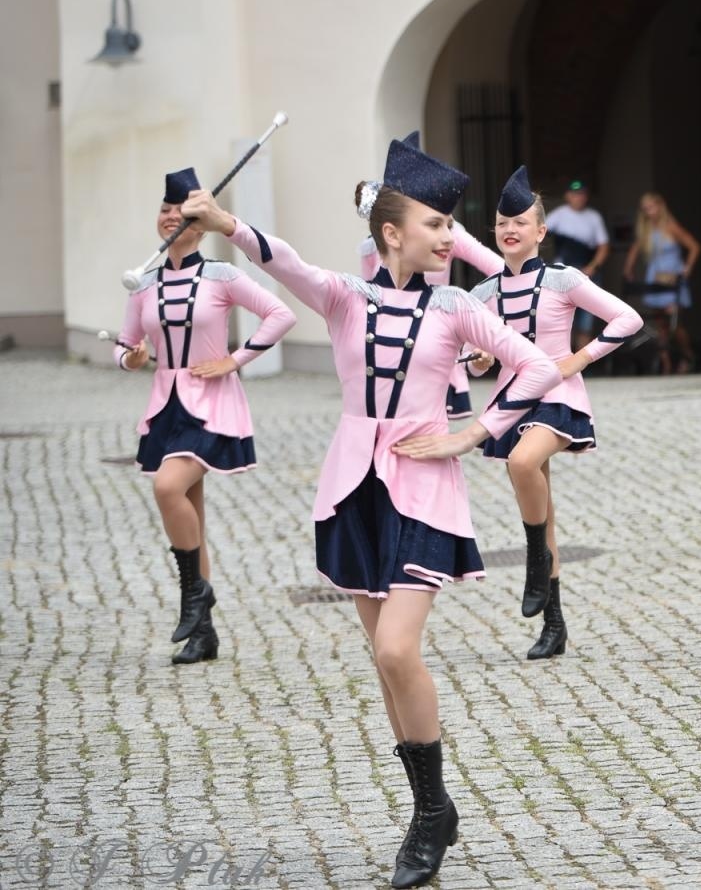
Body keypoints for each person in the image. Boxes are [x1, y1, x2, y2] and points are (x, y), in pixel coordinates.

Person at [181, 136, 562, 889]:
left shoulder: (456, 307)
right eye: (436, 225)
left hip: (423, 489)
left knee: (396, 651)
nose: (451, 237)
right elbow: (284, 263)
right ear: (392, 233)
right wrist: (227, 224)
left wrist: (473, 432)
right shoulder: (347, 298)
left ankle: (429, 815)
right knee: (384, 666)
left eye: (452, 226)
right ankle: (430, 808)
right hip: (351, 488)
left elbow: (539, 365)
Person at [114, 167, 296, 665]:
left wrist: (235, 360)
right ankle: (203, 632)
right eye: (166, 210)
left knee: (168, 488)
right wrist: (129, 357)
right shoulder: (144, 283)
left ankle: (194, 596)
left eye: (183, 212)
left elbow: (282, 315)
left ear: (201, 225)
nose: (171, 217)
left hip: (212, 404)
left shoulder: (223, 275)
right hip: (165, 403)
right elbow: (129, 345)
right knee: (189, 509)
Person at [468, 166, 642, 660]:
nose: (510, 230)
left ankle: (533, 559)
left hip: (558, 395)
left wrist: (579, 358)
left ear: (541, 231)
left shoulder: (564, 280)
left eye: (521, 222)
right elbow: (480, 355)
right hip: (510, 399)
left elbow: (628, 318)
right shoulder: (483, 294)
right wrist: (481, 359)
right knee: (541, 505)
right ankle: (554, 626)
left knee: (523, 464)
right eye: (503, 223)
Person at [360, 132, 503, 420]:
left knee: (430, 433)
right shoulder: (371, 244)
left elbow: (501, 271)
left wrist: (469, 316)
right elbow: (368, 297)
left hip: (435, 342)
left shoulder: (451, 236)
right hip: (386, 349)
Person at [623, 192, 701, 374]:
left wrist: (687, 268)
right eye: (646, 209)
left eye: (652, 207)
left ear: (660, 206)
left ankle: (687, 355)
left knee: (674, 321)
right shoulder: (646, 229)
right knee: (660, 324)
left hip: (672, 276)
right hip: (655, 279)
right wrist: (628, 269)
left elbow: (694, 246)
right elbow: (635, 249)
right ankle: (665, 363)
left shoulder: (671, 226)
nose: (650, 212)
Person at [545, 179, 611, 348]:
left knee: (585, 321)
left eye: (582, 194)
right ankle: (566, 362)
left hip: (587, 273)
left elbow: (603, 246)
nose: (578, 197)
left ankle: (582, 367)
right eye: (575, 194)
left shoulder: (594, 217)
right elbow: (537, 235)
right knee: (563, 319)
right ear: (567, 196)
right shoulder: (558, 215)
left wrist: (593, 267)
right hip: (562, 275)